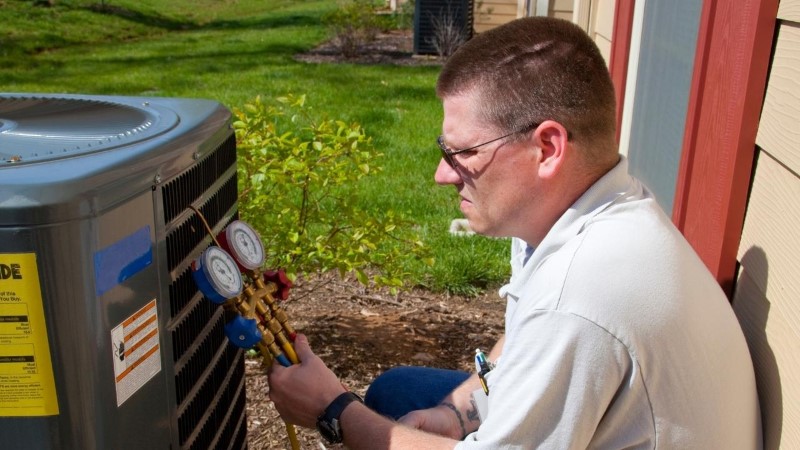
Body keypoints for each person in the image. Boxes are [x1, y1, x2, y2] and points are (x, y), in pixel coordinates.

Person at [267, 16, 762, 449]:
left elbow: (557, 315)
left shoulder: (580, 294)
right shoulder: (594, 211)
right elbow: (523, 335)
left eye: (462, 153)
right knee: (397, 394)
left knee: (371, 413)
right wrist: (454, 416)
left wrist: (331, 411)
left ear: (547, 147)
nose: (443, 174)